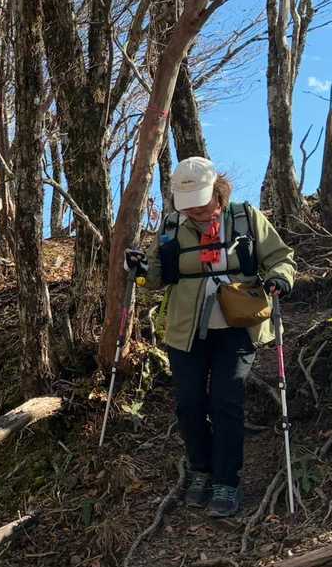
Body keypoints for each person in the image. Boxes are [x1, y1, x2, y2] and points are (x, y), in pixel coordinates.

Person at [124, 157, 296, 519]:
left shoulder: (245, 217)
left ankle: (226, 481)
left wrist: (280, 277)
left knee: (225, 401)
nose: (196, 212)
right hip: (185, 327)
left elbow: (281, 257)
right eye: (188, 206)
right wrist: (139, 269)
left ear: (217, 192)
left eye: (201, 204)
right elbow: (154, 278)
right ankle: (200, 469)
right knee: (188, 404)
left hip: (238, 324)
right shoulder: (172, 226)